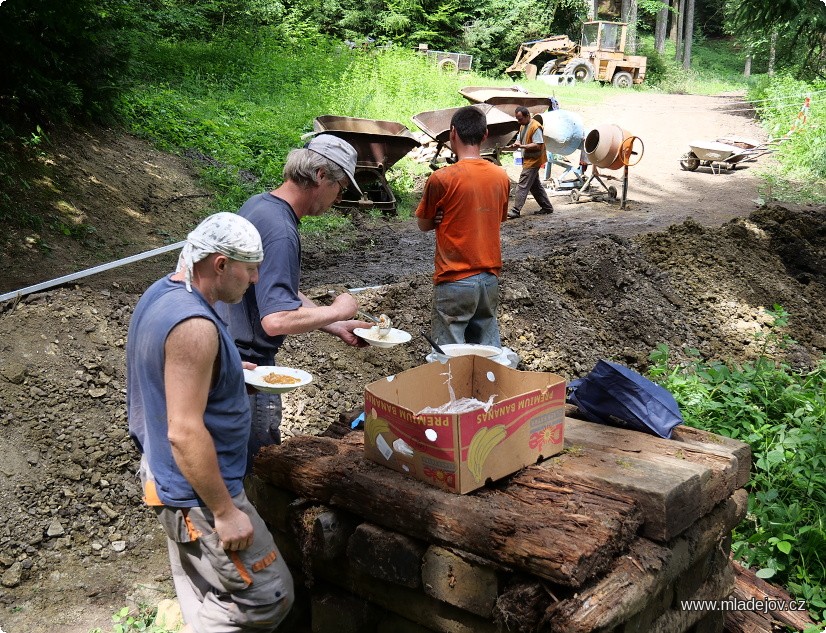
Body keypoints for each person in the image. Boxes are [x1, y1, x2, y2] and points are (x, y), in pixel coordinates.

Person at [127, 212, 294, 633]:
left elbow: (169, 379)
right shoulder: (195, 327)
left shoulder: (162, 293)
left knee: (203, 588)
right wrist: (224, 510)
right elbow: (183, 430)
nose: (256, 278)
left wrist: (229, 373)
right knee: (267, 595)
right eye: (250, 268)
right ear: (220, 264)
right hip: (200, 494)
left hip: (169, 478)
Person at [217, 134, 373, 467]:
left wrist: (335, 322)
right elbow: (275, 319)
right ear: (320, 176)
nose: (338, 197)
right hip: (250, 370)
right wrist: (337, 308)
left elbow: (278, 289)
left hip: (226, 355)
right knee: (256, 468)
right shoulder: (281, 229)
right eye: (340, 188)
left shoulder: (259, 206)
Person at [415, 105, 511, 347]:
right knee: (488, 354)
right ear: (485, 134)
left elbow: (423, 224)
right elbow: (494, 218)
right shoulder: (501, 176)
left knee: (448, 357)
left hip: (454, 280)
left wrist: (439, 217)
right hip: (489, 279)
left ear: (452, 133)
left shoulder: (441, 178)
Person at [507, 105, 555, 219]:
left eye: (520, 119)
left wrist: (522, 146)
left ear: (527, 116)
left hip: (534, 160)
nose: (519, 121)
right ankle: (547, 207)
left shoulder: (535, 127)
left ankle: (516, 210)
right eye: (517, 119)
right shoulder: (523, 125)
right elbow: (520, 137)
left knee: (522, 184)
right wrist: (516, 143)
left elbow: (538, 144)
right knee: (535, 186)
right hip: (529, 159)